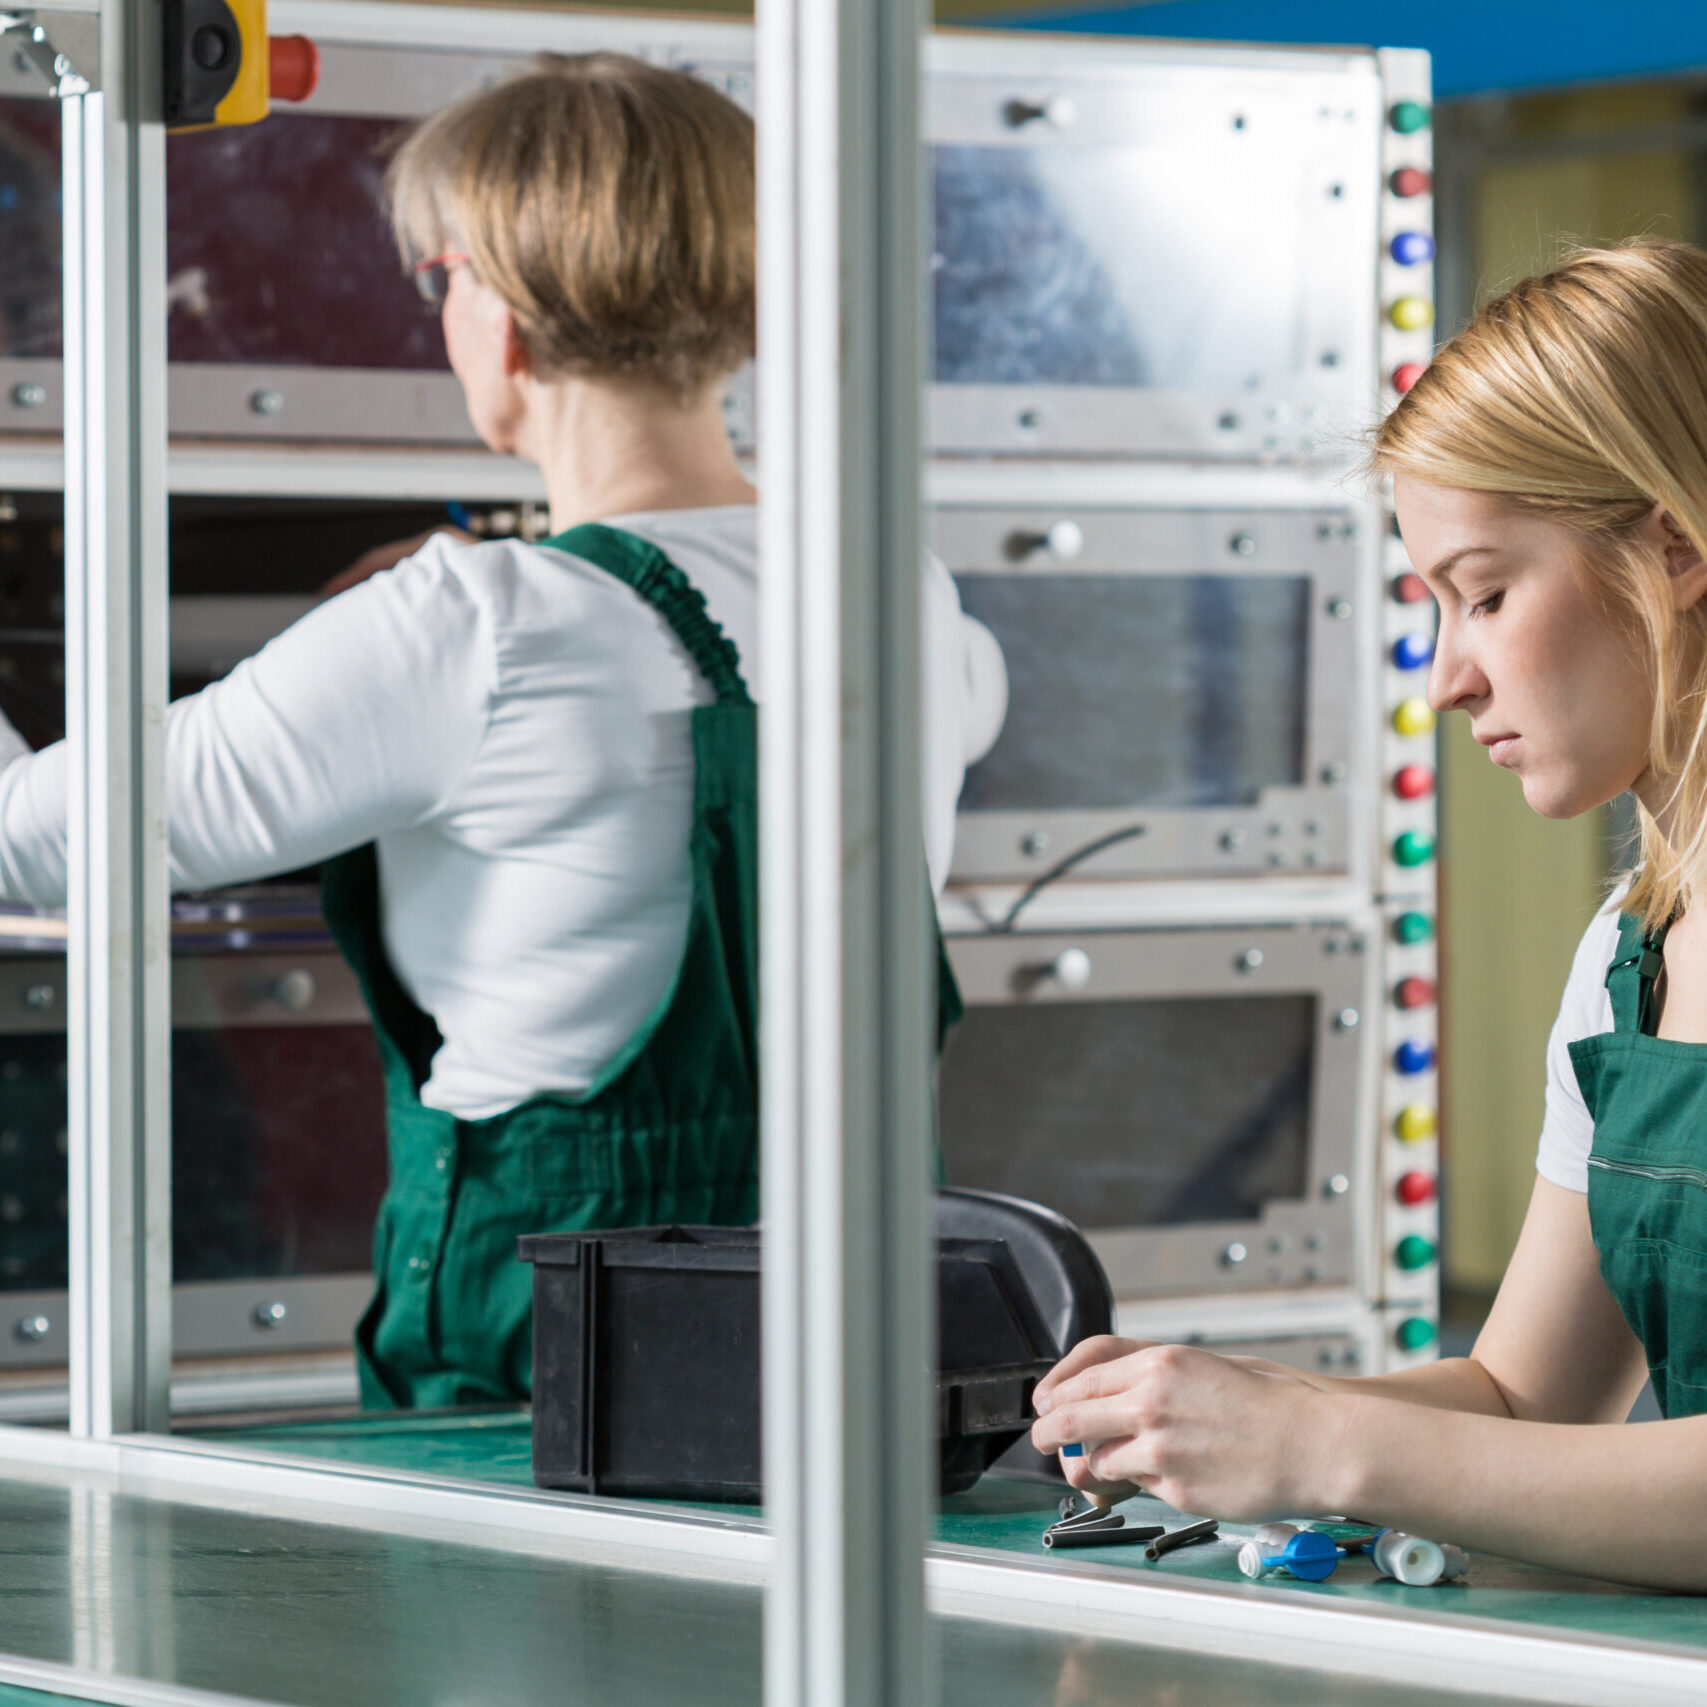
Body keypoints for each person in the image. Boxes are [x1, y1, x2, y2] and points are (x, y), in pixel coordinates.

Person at [0, 55, 1006, 1408]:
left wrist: (439, 623)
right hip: (852, 1359)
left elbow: (29, 851)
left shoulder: (465, 628)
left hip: (556, 1382)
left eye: (444, 278)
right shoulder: (900, 590)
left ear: (510, 319)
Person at [1029, 237, 1707, 1593]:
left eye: (1488, 592)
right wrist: (1212, 1410)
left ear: (1676, 548)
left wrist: (1331, 1441)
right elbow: (1529, 1403)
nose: (1448, 677)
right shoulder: (1628, 958)